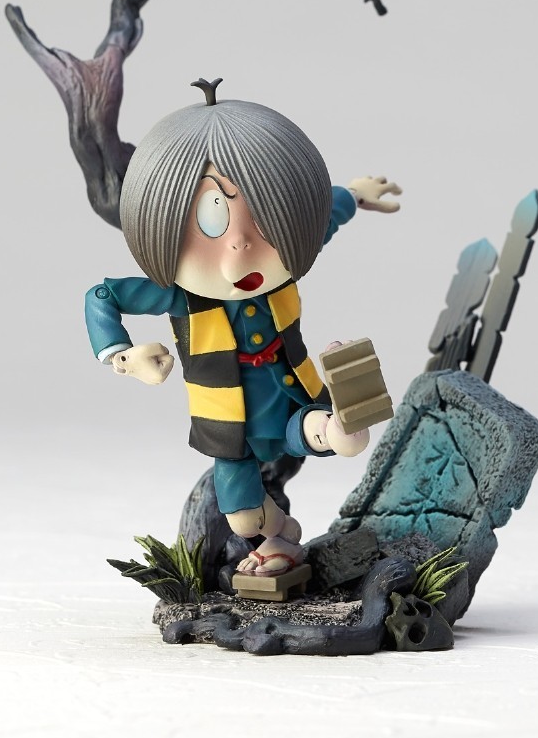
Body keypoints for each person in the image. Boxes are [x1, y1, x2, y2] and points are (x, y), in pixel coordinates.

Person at [85, 80, 401, 575]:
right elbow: (103, 296)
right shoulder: (183, 297)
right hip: (228, 425)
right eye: (212, 220)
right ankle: (282, 537)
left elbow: (322, 221)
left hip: (288, 394)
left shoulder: (281, 277)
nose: (241, 244)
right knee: (242, 516)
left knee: (316, 430)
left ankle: (341, 428)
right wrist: (122, 356)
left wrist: (353, 195)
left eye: (266, 218)